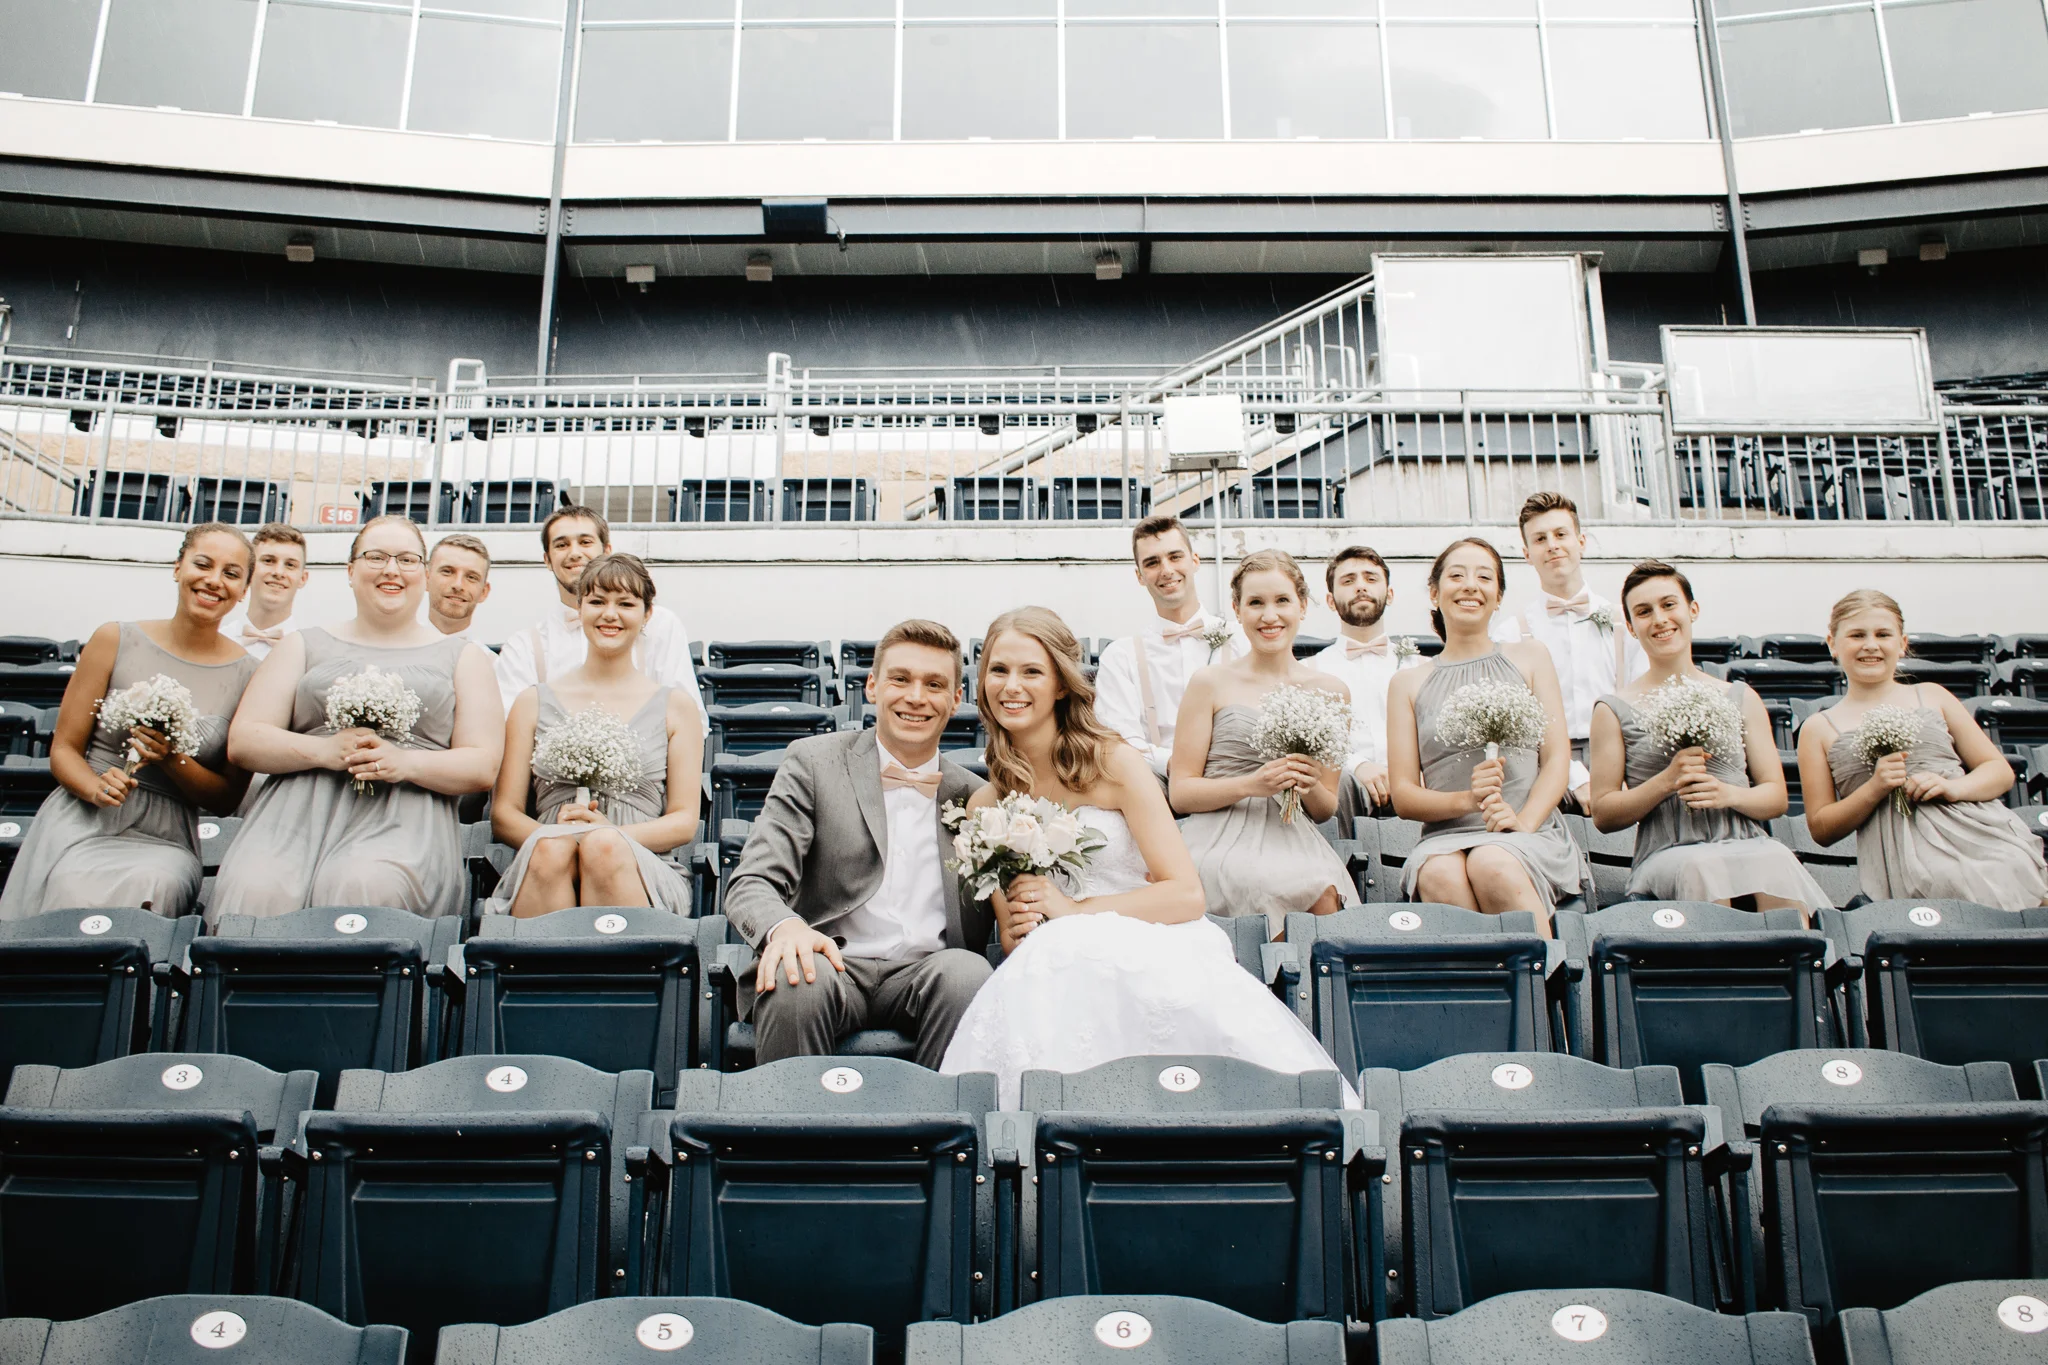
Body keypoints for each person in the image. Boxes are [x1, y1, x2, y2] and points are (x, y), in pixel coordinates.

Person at [940, 606, 1349, 1108]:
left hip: (1150, 937)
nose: (1011, 686)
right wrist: (1022, 923)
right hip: (1051, 969)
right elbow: (1013, 935)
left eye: (1031, 671)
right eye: (998, 671)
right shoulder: (986, 804)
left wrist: (1074, 913)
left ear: (1062, 684)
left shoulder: (1112, 762)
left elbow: (1186, 895)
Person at [722, 619, 992, 1067]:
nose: (916, 697)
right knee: (796, 975)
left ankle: (939, 1132)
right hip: (830, 964)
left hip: (930, 974)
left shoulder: (974, 796)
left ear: (956, 699)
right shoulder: (813, 763)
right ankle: (786, 1134)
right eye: (900, 679)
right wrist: (787, 929)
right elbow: (752, 882)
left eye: (934, 684)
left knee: (969, 975)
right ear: (871, 685)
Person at [208, 514, 504, 920]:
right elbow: (245, 740)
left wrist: (405, 762)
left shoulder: (465, 658)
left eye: (407, 559)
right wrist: (324, 750)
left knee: (361, 885)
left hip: (405, 820)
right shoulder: (302, 644)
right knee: (259, 889)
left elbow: (482, 764)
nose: (391, 570)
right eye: (376, 556)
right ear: (350, 571)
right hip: (294, 816)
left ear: (424, 574)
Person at [0, 524, 261, 921]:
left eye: (231, 573)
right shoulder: (114, 639)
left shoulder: (251, 674)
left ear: (244, 590)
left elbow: (226, 799)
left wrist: (172, 759)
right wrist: (94, 787)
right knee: (70, 882)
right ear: (178, 568)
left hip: (165, 835)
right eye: (203, 565)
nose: (213, 581)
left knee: (156, 881)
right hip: (84, 818)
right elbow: (64, 749)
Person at [1589, 561, 1829, 913]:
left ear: (1693, 609)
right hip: (1669, 852)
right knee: (1703, 867)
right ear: (1630, 625)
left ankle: (1799, 963)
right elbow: (1604, 814)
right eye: (1643, 612)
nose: (1659, 619)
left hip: (1745, 842)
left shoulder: (1740, 697)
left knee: (1775, 858)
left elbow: (1776, 796)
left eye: (1669, 605)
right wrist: (1668, 781)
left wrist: (1727, 794)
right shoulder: (1613, 709)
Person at [1797, 589, 2046, 910]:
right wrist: (1875, 788)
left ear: (1901, 643)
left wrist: (1952, 787)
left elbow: (1998, 772)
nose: (1870, 644)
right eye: (1857, 635)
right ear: (1832, 643)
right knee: (1948, 878)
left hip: (1976, 833)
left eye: (1883, 634)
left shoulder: (1932, 696)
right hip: (1900, 853)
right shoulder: (1818, 728)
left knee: (2003, 866)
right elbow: (1821, 827)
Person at [487, 553, 702, 916]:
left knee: (603, 849)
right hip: (546, 856)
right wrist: (561, 838)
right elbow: (505, 813)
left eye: (626, 604)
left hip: (643, 863)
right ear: (579, 608)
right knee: (551, 852)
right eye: (597, 602)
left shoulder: (676, 707)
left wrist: (606, 837)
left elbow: (683, 820)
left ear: (646, 614)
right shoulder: (532, 702)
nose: (609, 614)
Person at [1390, 537, 1587, 924]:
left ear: (1498, 597)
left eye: (1484, 577)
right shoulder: (1407, 683)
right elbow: (1404, 795)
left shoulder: (1530, 657)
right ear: (1435, 593)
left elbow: (1557, 759)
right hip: (1445, 838)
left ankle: (1543, 982)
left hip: (1527, 829)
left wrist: (1523, 821)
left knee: (1492, 862)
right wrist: (1470, 800)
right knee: (1439, 873)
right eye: (1457, 576)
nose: (1470, 585)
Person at [1172, 549, 1359, 936]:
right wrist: (1253, 784)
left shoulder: (1331, 691)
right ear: (1237, 610)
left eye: (1282, 601)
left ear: (1302, 607)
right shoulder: (1209, 682)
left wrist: (1306, 783)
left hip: (1290, 836)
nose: (1269, 616)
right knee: (1254, 882)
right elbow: (1181, 792)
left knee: (1323, 893)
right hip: (1217, 833)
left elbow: (1325, 808)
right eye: (1255, 603)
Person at [1493, 492, 1646, 812]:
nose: (1552, 545)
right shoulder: (1509, 633)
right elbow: (1516, 728)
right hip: (1541, 764)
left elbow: (1640, 704)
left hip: (1621, 758)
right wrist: (1574, 777)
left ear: (1581, 541)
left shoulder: (1624, 622)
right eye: (1540, 539)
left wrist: (1611, 777)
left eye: (1561, 534)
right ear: (1527, 553)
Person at [492, 505, 706, 731]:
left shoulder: (661, 625)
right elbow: (509, 727)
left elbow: (690, 722)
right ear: (547, 559)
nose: (574, 552)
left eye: (585, 542)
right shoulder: (524, 647)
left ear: (607, 550)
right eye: (562, 545)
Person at [1093, 515, 1245, 777]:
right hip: (1158, 784)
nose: (1166, 570)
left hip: (1239, 777)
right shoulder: (1121, 657)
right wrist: (1175, 765)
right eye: (1152, 563)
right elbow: (1119, 742)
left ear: (1194, 561)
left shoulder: (1242, 639)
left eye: (1175, 557)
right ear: (1140, 576)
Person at [1310, 545, 1424, 815]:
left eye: (1371, 579)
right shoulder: (1310, 671)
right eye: (1348, 581)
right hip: (1343, 800)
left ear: (1390, 594)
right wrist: (1358, 765)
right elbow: (1310, 745)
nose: (1360, 587)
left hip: (1419, 793)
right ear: (1329, 600)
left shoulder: (1422, 667)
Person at [217, 522, 311, 661]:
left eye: (290, 565)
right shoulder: (219, 639)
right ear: (249, 570)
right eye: (268, 560)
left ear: (303, 578)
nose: (278, 572)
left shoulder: (309, 652)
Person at [425, 533, 493, 640]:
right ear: (426, 579)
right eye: (447, 572)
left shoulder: (488, 657)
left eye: (471, 577)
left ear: (484, 592)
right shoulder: (393, 652)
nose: (458, 585)